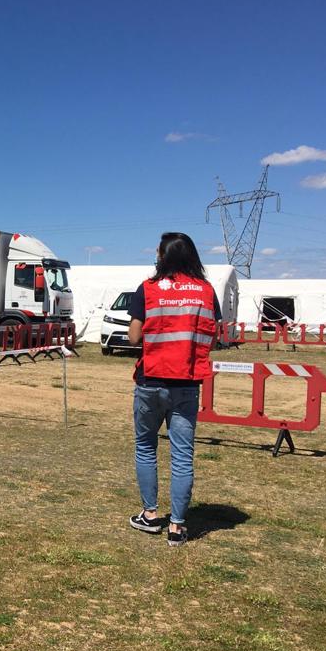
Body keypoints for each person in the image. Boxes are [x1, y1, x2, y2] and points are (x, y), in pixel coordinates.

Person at [126, 232, 220, 547]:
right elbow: (214, 337)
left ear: (164, 256)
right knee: (182, 454)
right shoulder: (206, 292)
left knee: (146, 447)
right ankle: (177, 527)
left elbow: (134, 338)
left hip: (151, 380)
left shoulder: (148, 289)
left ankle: (150, 515)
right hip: (187, 383)